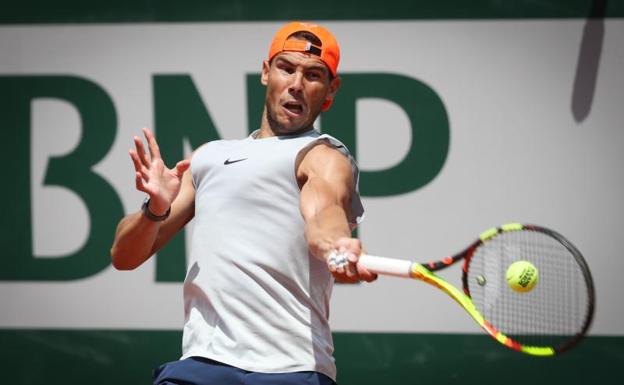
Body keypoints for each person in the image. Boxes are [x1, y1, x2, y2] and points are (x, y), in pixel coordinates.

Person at [110, 21, 376, 385]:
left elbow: (324, 213)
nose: (296, 84)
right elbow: (124, 257)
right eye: (286, 68)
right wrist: (154, 207)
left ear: (330, 91)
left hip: (290, 369)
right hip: (203, 363)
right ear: (267, 72)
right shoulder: (209, 157)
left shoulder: (323, 155)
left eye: (313, 75)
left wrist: (336, 246)